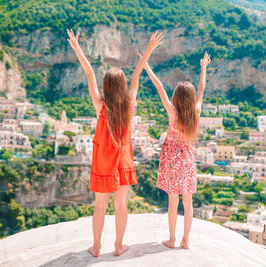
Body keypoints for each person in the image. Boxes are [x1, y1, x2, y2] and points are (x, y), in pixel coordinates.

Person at [67, 29, 164, 257]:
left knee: (100, 206)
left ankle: (97, 247)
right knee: (122, 206)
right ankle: (119, 246)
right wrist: (149, 49)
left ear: (106, 87)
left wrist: (77, 48)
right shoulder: (129, 105)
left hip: (103, 162)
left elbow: (89, 73)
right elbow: (137, 75)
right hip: (122, 161)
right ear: (121, 87)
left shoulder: (100, 106)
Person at [142, 51, 211, 250]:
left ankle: (172, 239)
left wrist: (146, 66)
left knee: (173, 203)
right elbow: (201, 89)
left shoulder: (172, 111)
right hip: (187, 159)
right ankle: (186, 240)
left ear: (177, 97)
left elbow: (159, 86)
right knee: (188, 203)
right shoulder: (196, 111)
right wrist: (203, 68)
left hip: (171, 160)